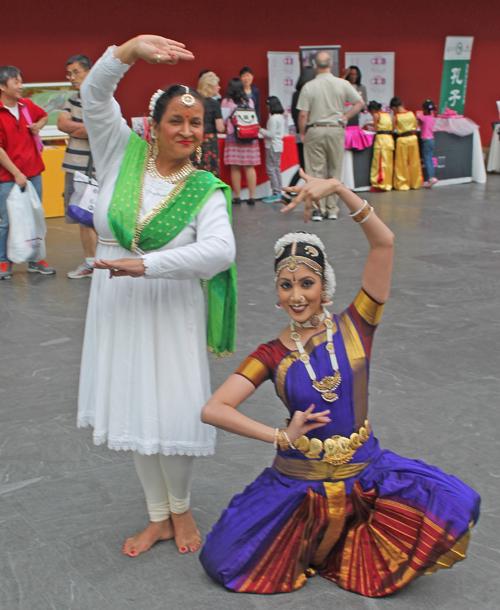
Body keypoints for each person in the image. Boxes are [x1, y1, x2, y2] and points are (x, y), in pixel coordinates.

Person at [199, 170, 480, 596]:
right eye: (286, 285)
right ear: (277, 294)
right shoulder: (270, 355)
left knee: (457, 502)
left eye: (306, 283)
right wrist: (280, 435)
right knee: (224, 559)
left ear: (324, 289)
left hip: (366, 474)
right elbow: (214, 409)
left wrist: (339, 189)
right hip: (300, 481)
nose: (297, 295)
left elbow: (384, 242)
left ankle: (345, 541)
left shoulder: (357, 325)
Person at [76, 34, 237, 558]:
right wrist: (127, 52)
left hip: (170, 309)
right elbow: (95, 98)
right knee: (134, 406)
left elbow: (219, 252)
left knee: (175, 411)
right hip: (116, 304)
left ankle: (182, 507)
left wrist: (147, 265)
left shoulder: (205, 188)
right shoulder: (121, 151)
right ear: (154, 125)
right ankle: (157, 517)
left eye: (196, 123)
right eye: (177, 121)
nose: (188, 130)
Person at [0, 65, 56, 279]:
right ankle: (4, 262)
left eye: (21, 81)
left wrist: (38, 125)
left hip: (33, 173)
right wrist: (16, 173)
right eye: (16, 82)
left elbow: (43, 116)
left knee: (35, 217)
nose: (21, 86)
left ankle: (36, 259)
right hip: (7, 178)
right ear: (3, 86)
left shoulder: (27, 105)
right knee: (6, 220)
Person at [297, 52, 364, 221]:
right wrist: (346, 117)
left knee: (315, 172)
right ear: (331, 65)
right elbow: (360, 103)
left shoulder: (308, 86)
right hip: (335, 129)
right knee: (335, 171)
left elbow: (303, 114)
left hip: (315, 129)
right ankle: (332, 209)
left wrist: (302, 132)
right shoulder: (342, 84)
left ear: (315, 66)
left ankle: (317, 210)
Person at [57, 54, 97, 279]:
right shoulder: (73, 98)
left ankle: (97, 262)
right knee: (81, 218)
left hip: (93, 168)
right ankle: (90, 262)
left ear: (88, 72)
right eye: (69, 73)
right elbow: (61, 123)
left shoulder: (100, 98)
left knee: (95, 217)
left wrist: (76, 127)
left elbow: (96, 130)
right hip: (74, 166)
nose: (71, 77)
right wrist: (80, 127)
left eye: (75, 72)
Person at [221, 78, 260, 206]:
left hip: (234, 138)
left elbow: (224, 122)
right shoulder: (249, 101)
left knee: (235, 167)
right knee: (250, 166)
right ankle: (252, 197)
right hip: (250, 137)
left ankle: (237, 196)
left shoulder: (226, 102)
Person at [281, 66, 316, 206]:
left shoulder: (296, 94)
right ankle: (308, 196)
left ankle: (288, 193)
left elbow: (297, 115)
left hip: (298, 134)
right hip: (309, 134)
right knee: (310, 168)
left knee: (303, 167)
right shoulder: (310, 93)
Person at [194, 71, 224, 177]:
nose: (219, 87)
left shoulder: (196, 102)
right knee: (210, 169)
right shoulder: (215, 104)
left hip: (196, 138)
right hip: (210, 140)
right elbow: (220, 127)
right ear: (210, 87)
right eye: (217, 85)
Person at [390, 97, 423, 191]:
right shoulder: (411, 113)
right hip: (413, 139)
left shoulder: (396, 116)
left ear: (394, 107)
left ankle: (402, 184)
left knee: (401, 164)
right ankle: (415, 183)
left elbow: (392, 130)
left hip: (402, 140)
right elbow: (416, 127)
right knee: (414, 162)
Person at [260, 96, 285, 203]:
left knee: (271, 169)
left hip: (272, 146)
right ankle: (279, 191)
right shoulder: (280, 117)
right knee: (276, 168)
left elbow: (271, 134)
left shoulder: (273, 118)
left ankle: (276, 192)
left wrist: (260, 129)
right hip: (278, 146)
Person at [367, 100, 394, 192]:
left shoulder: (376, 115)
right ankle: (387, 183)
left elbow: (375, 129)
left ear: (372, 110)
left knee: (379, 163)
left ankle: (378, 184)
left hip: (381, 140)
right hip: (389, 140)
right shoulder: (386, 114)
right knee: (387, 163)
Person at [419, 99, 438, 188]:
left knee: (427, 160)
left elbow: (417, 122)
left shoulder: (423, 117)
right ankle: (432, 177)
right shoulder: (432, 118)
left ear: (425, 110)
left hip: (426, 140)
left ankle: (430, 178)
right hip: (432, 140)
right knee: (430, 159)